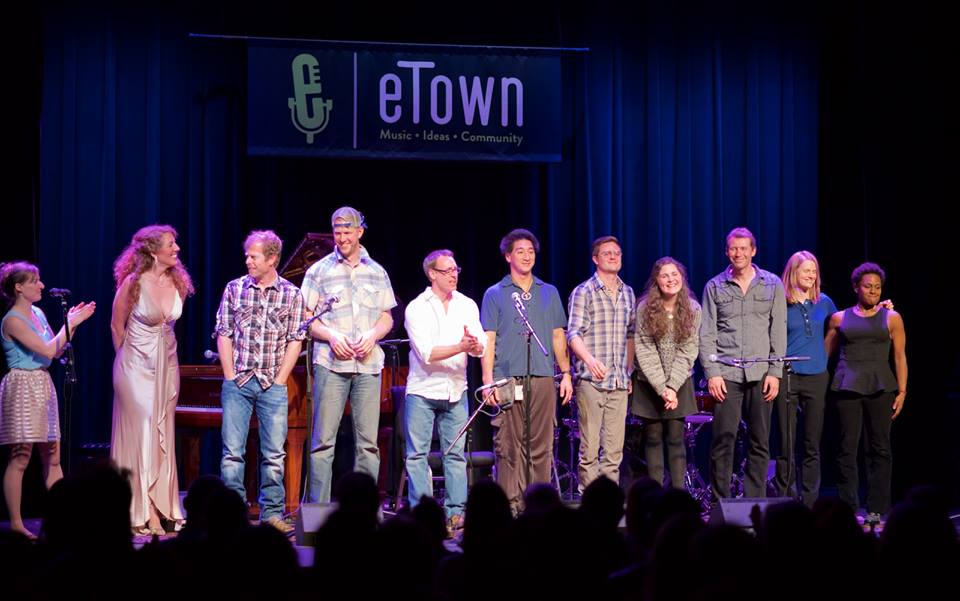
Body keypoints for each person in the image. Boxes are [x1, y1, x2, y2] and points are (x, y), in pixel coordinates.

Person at [302, 207, 397, 503]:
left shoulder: (377, 271)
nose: (342, 238)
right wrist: (332, 335)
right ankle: (318, 510)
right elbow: (305, 317)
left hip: (368, 366)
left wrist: (373, 335)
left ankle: (364, 510)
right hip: (331, 364)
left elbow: (387, 317)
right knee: (322, 443)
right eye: (337, 232)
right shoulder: (318, 271)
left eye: (347, 232)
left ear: (360, 232)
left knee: (368, 444)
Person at [215, 230, 304, 533]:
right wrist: (229, 376)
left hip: (272, 384)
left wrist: (280, 380)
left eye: (253, 256)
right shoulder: (234, 289)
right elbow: (224, 332)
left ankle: (272, 514)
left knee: (274, 455)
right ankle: (231, 515)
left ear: (271, 258)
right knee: (232, 453)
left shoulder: (291, 294)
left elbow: (295, 340)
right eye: (247, 255)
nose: (247, 260)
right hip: (238, 382)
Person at [480, 228, 573, 513]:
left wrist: (566, 373)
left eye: (531, 251)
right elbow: (489, 339)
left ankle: (539, 506)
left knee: (541, 443)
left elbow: (559, 335)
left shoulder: (549, 292)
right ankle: (509, 505)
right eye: (520, 251)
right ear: (508, 256)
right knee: (509, 444)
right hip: (507, 376)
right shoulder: (496, 294)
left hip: (543, 376)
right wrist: (488, 381)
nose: (526, 255)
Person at [0, 261, 95, 538]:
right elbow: (46, 349)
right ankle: (17, 524)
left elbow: (55, 347)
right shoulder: (13, 320)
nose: (41, 285)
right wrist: (70, 324)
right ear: (19, 287)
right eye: (35, 281)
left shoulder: (38, 313)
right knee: (20, 456)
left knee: (52, 455)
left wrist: (72, 325)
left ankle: (62, 520)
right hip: (22, 385)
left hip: (42, 382)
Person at [110, 225, 194, 535]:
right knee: (142, 433)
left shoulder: (178, 282)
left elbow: (169, 328)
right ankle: (139, 512)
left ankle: (160, 508)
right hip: (134, 368)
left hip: (167, 367)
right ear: (151, 250)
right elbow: (117, 326)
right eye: (171, 245)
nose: (177, 250)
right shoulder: (132, 284)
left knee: (163, 434)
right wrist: (127, 363)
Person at [700, 227, 786, 499]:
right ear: (727, 251)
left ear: (753, 251)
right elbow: (707, 333)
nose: (738, 253)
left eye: (743, 248)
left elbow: (778, 330)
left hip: (761, 373)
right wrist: (712, 374)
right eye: (733, 249)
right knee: (723, 440)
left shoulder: (772, 283)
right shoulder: (714, 286)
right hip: (726, 374)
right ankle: (719, 503)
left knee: (760, 441)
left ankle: (754, 502)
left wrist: (775, 371)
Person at [403, 249, 485, 532]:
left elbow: (480, 343)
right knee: (417, 455)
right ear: (432, 274)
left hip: (455, 390)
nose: (454, 275)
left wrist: (474, 346)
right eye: (448, 270)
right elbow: (427, 353)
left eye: (456, 269)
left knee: (455, 455)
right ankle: (422, 514)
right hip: (423, 390)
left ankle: (456, 513)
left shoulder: (467, 304)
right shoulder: (417, 307)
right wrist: (462, 346)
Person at [825, 262, 907, 524]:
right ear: (855, 287)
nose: (873, 291)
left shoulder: (892, 318)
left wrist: (902, 391)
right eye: (868, 286)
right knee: (847, 448)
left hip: (881, 387)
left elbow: (900, 357)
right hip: (847, 386)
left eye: (877, 287)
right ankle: (848, 508)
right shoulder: (839, 318)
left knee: (880, 448)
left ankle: (877, 508)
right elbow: (824, 354)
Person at [567, 236, 636, 491]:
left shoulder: (627, 292)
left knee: (614, 451)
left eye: (617, 252)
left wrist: (628, 371)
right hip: (591, 381)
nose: (613, 256)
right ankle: (589, 501)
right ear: (595, 259)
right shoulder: (584, 291)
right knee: (590, 449)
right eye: (607, 253)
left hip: (618, 381)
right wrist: (589, 359)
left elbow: (631, 334)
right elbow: (573, 333)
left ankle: (609, 504)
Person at [771, 251, 837, 507]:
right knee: (786, 442)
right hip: (788, 376)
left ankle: (810, 503)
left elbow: (846, 324)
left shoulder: (824, 301)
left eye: (814, 271)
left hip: (817, 378)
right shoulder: (781, 302)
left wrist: (880, 308)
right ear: (793, 272)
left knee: (812, 442)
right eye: (806, 270)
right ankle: (787, 500)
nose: (811, 275)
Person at [632, 257, 701, 488]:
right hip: (650, 383)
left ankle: (678, 495)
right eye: (664, 276)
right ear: (656, 281)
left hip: (679, 383)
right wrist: (662, 388)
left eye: (674, 275)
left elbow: (689, 349)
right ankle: (655, 494)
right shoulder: (644, 308)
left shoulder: (693, 309)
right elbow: (645, 350)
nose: (671, 280)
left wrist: (672, 387)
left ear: (681, 277)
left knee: (675, 437)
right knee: (652, 438)